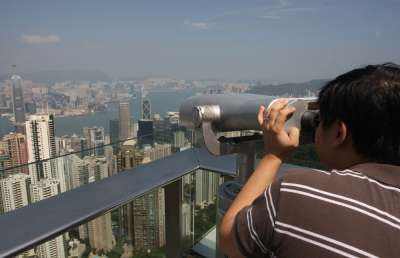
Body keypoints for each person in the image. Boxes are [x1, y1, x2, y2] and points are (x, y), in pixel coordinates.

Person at [219, 63, 400, 258]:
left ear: (339, 133)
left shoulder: (298, 192)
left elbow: (229, 239)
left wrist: (273, 156)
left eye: (320, 120)